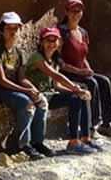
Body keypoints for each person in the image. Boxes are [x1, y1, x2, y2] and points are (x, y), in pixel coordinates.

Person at [0, 12, 51, 160]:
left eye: (15, 28)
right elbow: (1, 80)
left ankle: (37, 142)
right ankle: (21, 145)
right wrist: (26, 91)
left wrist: (33, 89)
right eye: (9, 28)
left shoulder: (18, 52)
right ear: (2, 29)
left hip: (11, 88)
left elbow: (21, 78)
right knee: (27, 103)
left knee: (41, 101)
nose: (12, 32)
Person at [24, 27, 99, 155]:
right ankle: (74, 142)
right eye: (48, 40)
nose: (51, 44)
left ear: (59, 43)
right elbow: (55, 76)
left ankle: (83, 139)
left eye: (54, 40)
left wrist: (76, 92)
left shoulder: (55, 60)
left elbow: (56, 85)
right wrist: (76, 89)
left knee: (77, 97)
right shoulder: (37, 58)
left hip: (49, 96)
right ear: (41, 42)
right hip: (36, 97)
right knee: (78, 93)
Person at [58, 0, 111, 138]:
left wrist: (88, 70)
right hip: (67, 72)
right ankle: (92, 124)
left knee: (104, 81)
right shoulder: (61, 32)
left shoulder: (83, 32)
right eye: (73, 11)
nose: (76, 14)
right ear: (66, 12)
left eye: (79, 11)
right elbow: (58, 60)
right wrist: (80, 72)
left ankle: (107, 123)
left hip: (81, 71)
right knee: (91, 83)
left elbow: (83, 56)